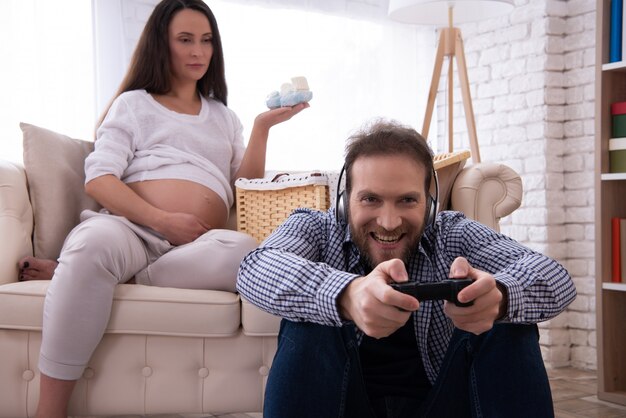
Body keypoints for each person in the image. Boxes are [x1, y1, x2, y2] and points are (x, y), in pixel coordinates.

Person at [33, 0, 308, 417]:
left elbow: (243, 186)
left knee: (242, 251)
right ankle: (48, 410)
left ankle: (104, 276)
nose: (198, 51)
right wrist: (163, 220)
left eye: (206, 41)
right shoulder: (134, 105)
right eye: (185, 40)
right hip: (130, 230)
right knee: (93, 245)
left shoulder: (223, 117)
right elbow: (99, 179)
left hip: (189, 251)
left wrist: (260, 127)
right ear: (162, 45)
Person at [237, 120, 577, 418]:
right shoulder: (314, 227)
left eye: (407, 200)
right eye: (370, 199)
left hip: (443, 404)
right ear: (345, 200)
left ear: (429, 204)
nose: (388, 222)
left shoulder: (453, 232)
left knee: (507, 319)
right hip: (341, 405)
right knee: (310, 319)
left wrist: (500, 297)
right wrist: (346, 295)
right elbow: (255, 267)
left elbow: (554, 275)